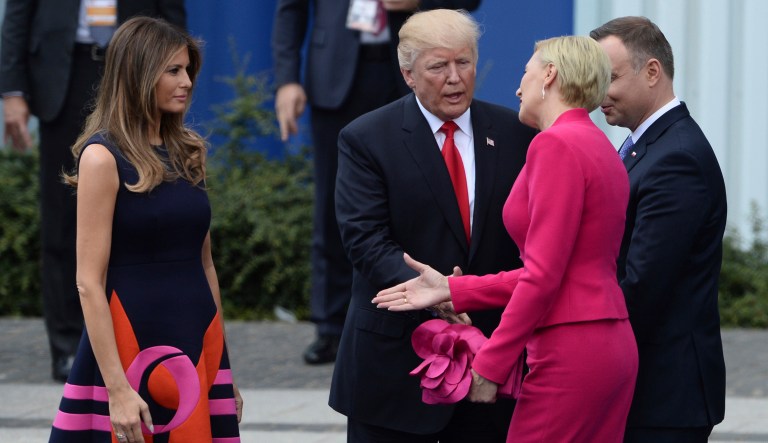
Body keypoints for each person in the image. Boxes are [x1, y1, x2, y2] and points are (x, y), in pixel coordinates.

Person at [373, 35, 639, 442]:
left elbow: (543, 276)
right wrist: (453, 288)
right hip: (607, 341)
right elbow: (558, 270)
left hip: (569, 349)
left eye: (526, 73)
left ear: (549, 75)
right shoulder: (597, 143)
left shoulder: (555, 145)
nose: (518, 87)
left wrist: (491, 364)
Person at [331, 9, 537, 442]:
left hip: (492, 361)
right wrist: (435, 290)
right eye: (438, 66)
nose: (455, 78)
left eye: (464, 63)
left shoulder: (515, 132)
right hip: (394, 366)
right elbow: (364, 238)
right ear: (408, 73)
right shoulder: (367, 138)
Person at [48, 17, 242, 443]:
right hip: (129, 340)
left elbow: (205, 265)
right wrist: (117, 389)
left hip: (195, 338)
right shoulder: (102, 157)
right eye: (173, 70)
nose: (187, 81)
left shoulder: (189, 151)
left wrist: (221, 367)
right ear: (137, 74)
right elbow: (88, 283)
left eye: (188, 70)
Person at [271, 0, 482, 364]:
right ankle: (332, 325)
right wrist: (287, 79)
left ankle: (433, 305)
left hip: (410, 70)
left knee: (426, 198)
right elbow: (291, 9)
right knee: (332, 208)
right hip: (336, 74)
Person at [0, 0, 186, 383]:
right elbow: (18, 15)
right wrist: (13, 91)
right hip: (61, 76)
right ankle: (68, 344)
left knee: (145, 210)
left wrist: (172, 74)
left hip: (135, 68)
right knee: (65, 219)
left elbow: (171, 16)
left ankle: (136, 336)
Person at [589, 16, 727, 443]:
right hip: (650, 389)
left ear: (652, 71)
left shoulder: (676, 158)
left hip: (664, 397)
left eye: (608, 78)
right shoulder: (647, 145)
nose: (598, 95)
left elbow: (642, 284)